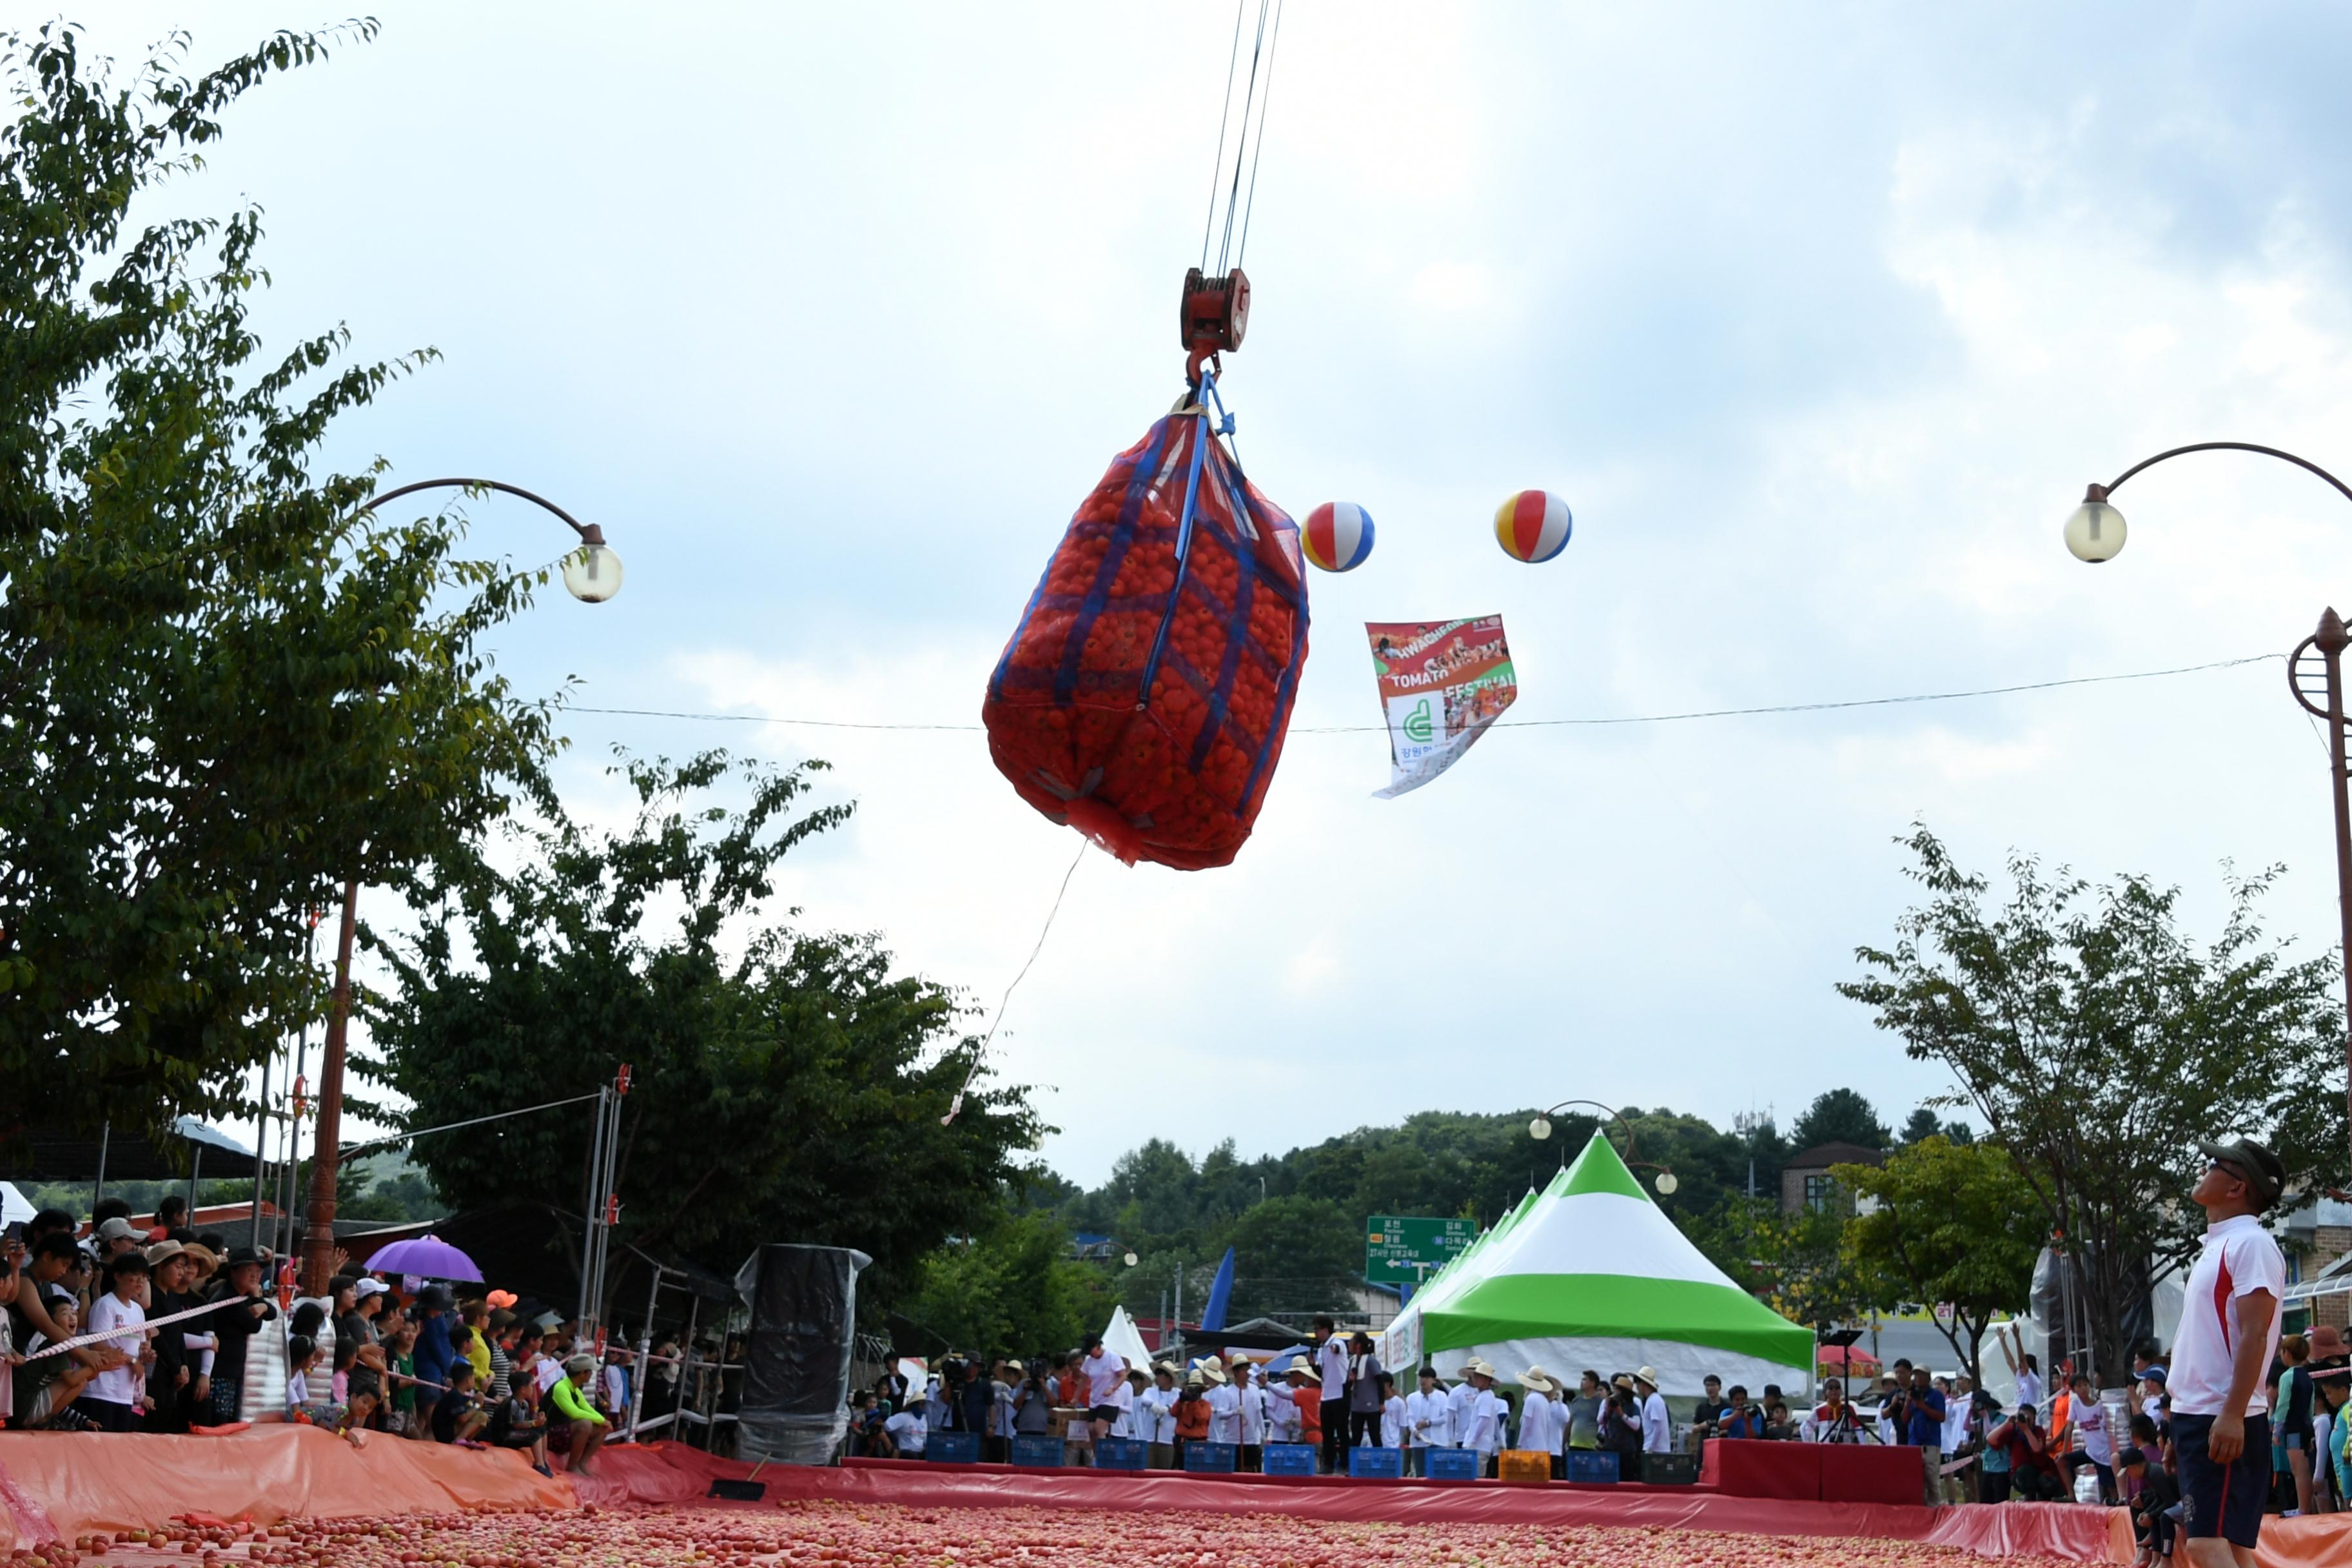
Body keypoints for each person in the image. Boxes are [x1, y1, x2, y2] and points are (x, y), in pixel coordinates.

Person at [2168, 1136, 2286, 1566]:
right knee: (2231, 1547)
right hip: (2202, 1412)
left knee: (2204, 1545)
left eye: (2216, 1164)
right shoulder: (2218, 1245)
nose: (2205, 1169)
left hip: (2221, 1412)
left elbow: (2256, 1335)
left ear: (2237, 1188)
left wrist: (2233, 1414)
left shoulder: (2250, 1244)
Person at [72, 1250, 150, 1432]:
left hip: (124, 1393)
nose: (140, 1281)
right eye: (134, 1276)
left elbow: (139, 1346)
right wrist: (132, 1360)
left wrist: (144, 1354)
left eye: (144, 1277)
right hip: (100, 1390)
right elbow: (98, 1345)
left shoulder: (138, 1310)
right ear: (118, 1276)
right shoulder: (106, 1305)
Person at [203, 1246, 277, 1426]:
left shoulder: (241, 1296)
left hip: (231, 1372)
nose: (255, 1275)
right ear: (234, 1272)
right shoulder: (228, 1297)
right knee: (219, 1424)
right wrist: (258, 1298)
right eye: (249, 1270)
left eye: (258, 1271)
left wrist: (263, 1305)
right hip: (219, 1373)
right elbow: (253, 1325)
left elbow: (272, 1313)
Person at [548, 1353, 611, 1476]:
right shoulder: (561, 1387)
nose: (592, 1375)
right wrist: (602, 1420)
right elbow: (575, 1413)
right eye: (590, 1372)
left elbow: (587, 1408)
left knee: (603, 1428)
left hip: (564, 1431)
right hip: (549, 1432)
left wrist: (603, 1421)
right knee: (585, 1424)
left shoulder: (575, 1388)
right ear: (583, 1373)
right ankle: (572, 1466)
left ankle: (582, 1463)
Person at [2275, 1333, 2317, 1516]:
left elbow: (2283, 1405)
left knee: (2298, 1469)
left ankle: (2303, 1509)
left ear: (2287, 1353)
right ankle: (2305, 1507)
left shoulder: (2287, 1377)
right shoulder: (2307, 1377)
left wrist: (2276, 1431)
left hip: (2293, 1429)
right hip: (2306, 1426)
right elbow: (2311, 1405)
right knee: (2303, 1468)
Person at [1989, 1403, 2065, 1500]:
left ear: (2034, 1419)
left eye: (2029, 1418)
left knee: (2048, 1483)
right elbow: (1990, 1440)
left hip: (2040, 1473)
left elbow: (2037, 1449)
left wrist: (2026, 1430)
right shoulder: (2013, 1432)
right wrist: (2006, 1423)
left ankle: (2043, 1498)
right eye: (2022, 1417)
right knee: (2025, 1471)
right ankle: (2029, 1497)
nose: (2025, 1420)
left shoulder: (2038, 1431)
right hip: (2021, 1476)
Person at [2118, 1446, 2179, 1567]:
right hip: (2175, 1500)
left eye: (2128, 1472)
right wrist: (2147, 1513)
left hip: (2180, 1501)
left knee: (2161, 1517)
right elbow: (2159, 1498)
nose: (2129, 1476)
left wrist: (2151, 1515)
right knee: (2150, 1512)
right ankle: (2156, 1559)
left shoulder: (2154, 1473)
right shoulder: (2150, 1472)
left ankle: (2165, 1559)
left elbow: (2170, 1501)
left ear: (2133, 1468)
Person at [489, 1371, 553, 1475]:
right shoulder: (512, 1403)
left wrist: (538, 1419)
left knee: (542, 1429)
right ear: (523, 1390)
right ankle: (539, 1463)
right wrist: (534, 1424)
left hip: (515, 1432)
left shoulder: (525, 1404)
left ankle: (544, 1460)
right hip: (504, 1436)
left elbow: (527, 1421)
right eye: (531, 1386)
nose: (533, 1389)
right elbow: (516, 1424)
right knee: (534, 1436)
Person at [1312, 1316, 1350, 1475]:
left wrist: (1333, 1349)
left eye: (1318, 1329)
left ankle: (1344, 1463)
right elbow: (1322, 1373)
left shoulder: (1337, 1343)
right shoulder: (1321, 1349)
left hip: (1340, 1393)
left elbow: (1338, 1349)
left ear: (1326, 1330)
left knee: (1342, 1431)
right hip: (1326, 1394)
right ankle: (1328, 1463)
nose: (1316, 1333)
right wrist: (1312, 1365)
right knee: (1327, 1432)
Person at [1457, 1360, 1505, 1476]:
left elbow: (1484, 1420)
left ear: (1487, 1380)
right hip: (1480, 1445)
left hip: (1478, 1446)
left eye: (1479, 1376)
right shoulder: (1487, 1396)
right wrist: (1500, 1440)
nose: (1475, 1378)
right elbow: (1495, 1421)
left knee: (1475, 1479)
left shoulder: (1486, 1397)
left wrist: (1473, 1440)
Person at [1404, 1364, 1452, 1476]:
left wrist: (1428, 1423)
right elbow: (1409, 1418)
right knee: (1421, 1473)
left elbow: (1445, 1417)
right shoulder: (1412, 1397)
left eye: (1427, 1378)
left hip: (1438, 1440)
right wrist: (1414, 1430)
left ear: (1433, 1380)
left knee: (1438, 1474)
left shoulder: (1442, 1396)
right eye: (1422, 1377)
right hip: (1418, 1441)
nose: (1423, 1380)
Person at [1518, 1367, 1564, 1476]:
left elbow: (1526, 1424)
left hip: (1531, 1449)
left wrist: (1519, 1444)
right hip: (1542, 1448)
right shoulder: (1544, 1401)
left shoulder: (1531, 1399)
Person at [1344, 1333, 1384, 1453]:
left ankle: (1379, 1462)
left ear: (1358, 1346)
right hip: (1356, 1406)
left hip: (1372, 1405)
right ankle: (1353, 1465)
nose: (1349, 1345)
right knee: (1356, 1437)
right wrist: (1351, 1380)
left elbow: (1380, 1381)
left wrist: (1381, 1402)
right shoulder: (1352, 1361)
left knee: (1375, 1436)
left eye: (1351, 1343)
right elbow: (1348, 1384)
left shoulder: (1371, 1361)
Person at [1174, 1371, 1211, 1465]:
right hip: (1182, 1443)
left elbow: (1202, 1419)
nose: (1193, 1392)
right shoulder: (1184, 1404)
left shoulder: (1205, 1405)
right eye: (1191, 1389)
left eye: (1196, 1389)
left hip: (1198, 1444)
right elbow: (1173, 1413)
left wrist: (1194, 1402)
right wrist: (1180, 1400)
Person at [1634, 1367, 1671, 1455]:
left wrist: (1651, 1448)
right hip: (1655, 1448)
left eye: (1638, 1384)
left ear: (1643, 1384)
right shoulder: (1652, 1400)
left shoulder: (1654, 1400)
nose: (1637, 1387)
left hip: (1657, 1450)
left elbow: (1658, 1427)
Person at [883, 1390, 928, 1456]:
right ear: (914, 1404)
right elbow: (886, 1426)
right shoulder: (903, 1417)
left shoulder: (925, 1419)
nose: (924, 1406)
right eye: (922, 1404)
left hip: (920, 1451)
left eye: (925, 1404)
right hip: (906, 1451)